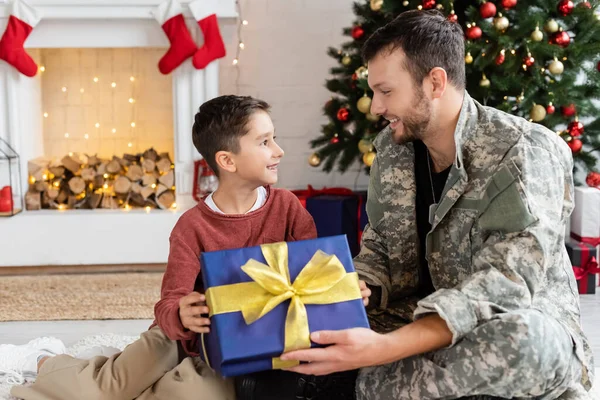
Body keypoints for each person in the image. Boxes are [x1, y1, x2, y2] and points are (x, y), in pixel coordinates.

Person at [281, 10, 594, 400]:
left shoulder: (526, 151)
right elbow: (379, 250)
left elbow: (504, 285)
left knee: (526, 343)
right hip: (415, 321)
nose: (376, 107)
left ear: (434, 82)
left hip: (502, 324)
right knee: (310, 324)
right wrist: (361, 285)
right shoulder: (392, 153)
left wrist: (381, 350)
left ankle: (357, 384)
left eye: (386, 91)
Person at [3, 95, 369, 400]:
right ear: (227, 161)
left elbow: (314, 272)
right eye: (264, 142)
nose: (279, 150)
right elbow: (169, 300)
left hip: (235, 348)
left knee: (189, 396)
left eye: (273, 139)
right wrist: (180, 313)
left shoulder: (287, 206)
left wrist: (345, 289)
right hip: (176, 339)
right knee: (106, 389)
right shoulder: (192, 226)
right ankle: (48, 360)